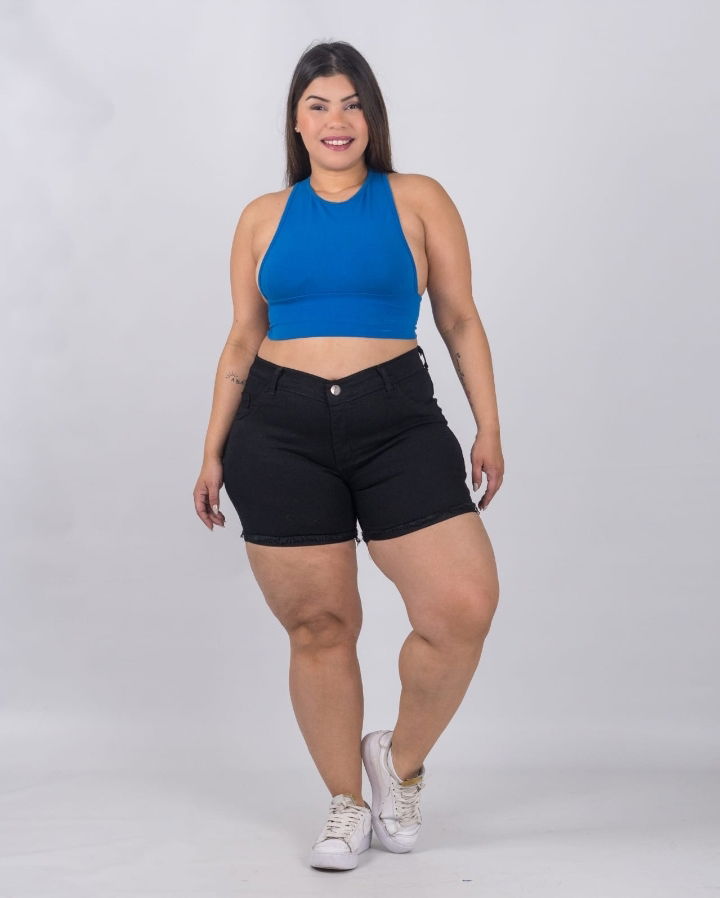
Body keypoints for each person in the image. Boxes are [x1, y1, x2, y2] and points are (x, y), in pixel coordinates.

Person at [193, 40, 503, 871]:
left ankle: (398, 762)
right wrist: (212, 449)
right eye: (319, 105)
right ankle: (344, 803)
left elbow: (459, 318)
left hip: (397, 419)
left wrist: (488, 424)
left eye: (352, 103)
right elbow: (242, 337)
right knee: (320, 625)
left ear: (373, 117)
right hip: (278, 427)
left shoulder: (417, 198)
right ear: (296, 123)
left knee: (462, 605)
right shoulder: (262, 216)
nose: (337, 120)